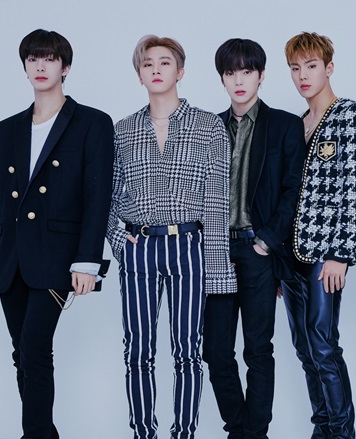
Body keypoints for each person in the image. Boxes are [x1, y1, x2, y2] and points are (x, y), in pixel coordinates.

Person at [107, 35, 236, 439]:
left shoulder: (209, 126)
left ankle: (184, 433)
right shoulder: (123, 130)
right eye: (148, 64)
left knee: (187, 351)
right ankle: (143, 433)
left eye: (165, 62)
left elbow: (217, 203)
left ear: (180, 71)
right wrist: (118, 240)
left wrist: (218, 272)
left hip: (188, 246)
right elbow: (106, 195)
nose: (156, 69)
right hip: (139, 246)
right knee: (138, 350)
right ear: (139, 75)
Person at [0, 29, 113, 439]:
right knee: (21, 355)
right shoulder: (5, 130)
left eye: (49, 58)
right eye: (33, 59)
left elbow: (97, 197)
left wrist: (87, 262)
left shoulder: (92, 123)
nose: (40, 66)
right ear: (25, 67)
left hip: (59, 257)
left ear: (66, 67)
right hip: (11, 258)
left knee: (34, 348)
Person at [202, 38, 305, 439]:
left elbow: (293, 189)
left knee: (258, 349)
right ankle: (239, 428)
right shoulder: (209, 127)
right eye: (231, 73)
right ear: (222, 79)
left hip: (258, 249)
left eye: (247, 72)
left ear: (261, 76)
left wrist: (267, 241)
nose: (239, 80)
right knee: (215, 352)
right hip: (215, 251)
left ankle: (255, 432)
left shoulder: (283, 125)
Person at [281, 31, 356, 439]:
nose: (303, 75)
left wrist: (341, 253)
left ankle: (342, 432)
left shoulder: (352, 114)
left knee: (323, 343)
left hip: (325, 253)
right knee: (304, 348)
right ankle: (322, 428)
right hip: (291, 256)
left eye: (311, 66)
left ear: (329, 68)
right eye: (295, 68)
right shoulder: (296, 124)